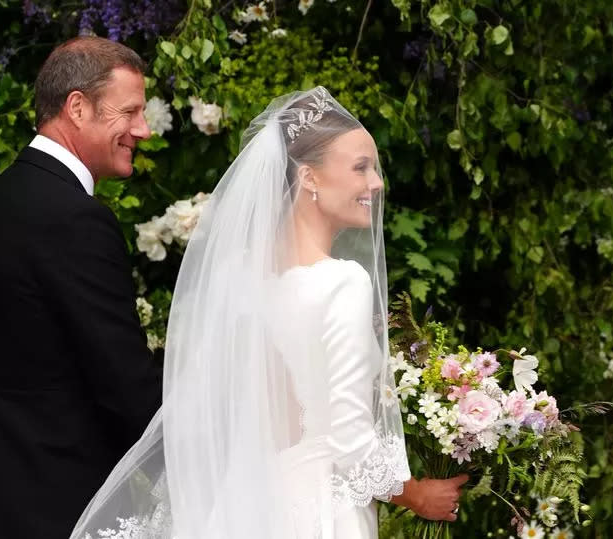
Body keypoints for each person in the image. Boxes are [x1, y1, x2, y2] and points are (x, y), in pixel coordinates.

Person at [70, 87, 466, 538]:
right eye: (361, 168)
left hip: (246, 500)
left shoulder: (237, 277)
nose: (376, 183)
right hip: (318, 507)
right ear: (310, 178)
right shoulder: (342, 284)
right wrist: (416, 493)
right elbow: (348, 435)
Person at [0, 37, 161, 538]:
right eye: (130, 111)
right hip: (46, 499)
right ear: (77, 107)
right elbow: (124, 384)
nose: (144, 129)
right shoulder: (76, 220)